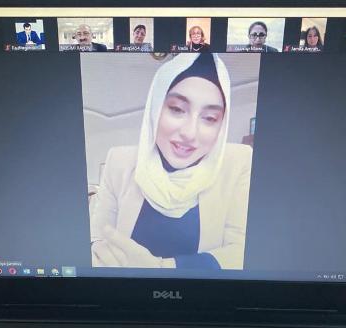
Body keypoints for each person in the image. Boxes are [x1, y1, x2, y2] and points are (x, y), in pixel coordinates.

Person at [90, 53, 252, 270]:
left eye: (210, 118)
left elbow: (242, 251)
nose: (190, 133)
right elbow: (96, 237)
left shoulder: (238, 162)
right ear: (155, 107)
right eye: (177, 109)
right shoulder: (120, 161)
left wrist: (161, 269)